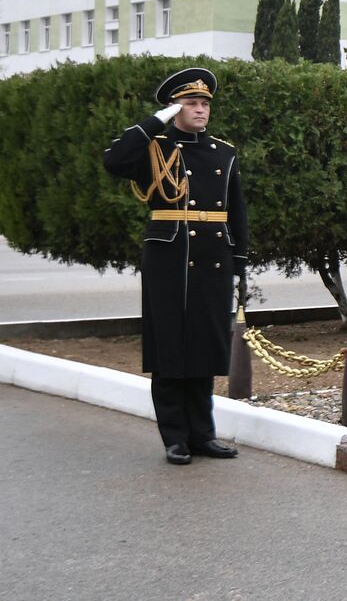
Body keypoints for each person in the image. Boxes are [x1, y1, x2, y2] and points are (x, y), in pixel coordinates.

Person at [102, 67, 249, 464]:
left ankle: (203, 434)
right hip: (169, 256)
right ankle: (174, 437)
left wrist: (241, 261)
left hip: (214, 257)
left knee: (205, 344)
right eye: (190, 103)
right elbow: (114, 160)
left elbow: (236, 209)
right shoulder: (155, 146)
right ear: (174, 108)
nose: (200, 110)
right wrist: (158, 121)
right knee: (169, 345)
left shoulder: (224, 152)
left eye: (204, 104)